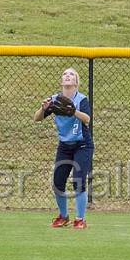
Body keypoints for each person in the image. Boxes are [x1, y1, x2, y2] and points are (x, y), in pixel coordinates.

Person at [34, 68, 93, 229]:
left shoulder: (81, 99)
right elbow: (37, 118)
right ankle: (63, 216)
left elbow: (87, 119)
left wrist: (73, 111)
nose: (67, 76)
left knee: (78, 181)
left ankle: (80, 219)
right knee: (58, 182)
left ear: (76, 82)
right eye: (65, 74)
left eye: (71, 74)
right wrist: (44, 108)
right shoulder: (55, 100)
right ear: (62, 81)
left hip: (82, 145)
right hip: (65, 146)